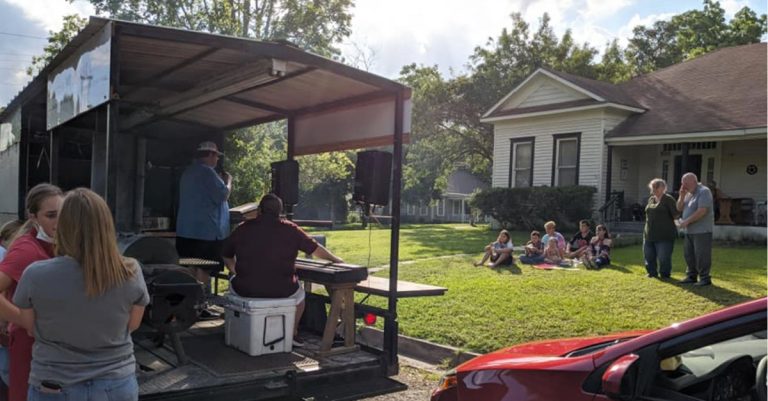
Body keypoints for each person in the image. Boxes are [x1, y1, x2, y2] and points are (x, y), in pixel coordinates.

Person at [4, 188, 149, 401]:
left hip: (54, 384)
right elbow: (132, 324)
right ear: (106, 225)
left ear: (65, 225)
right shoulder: (131, 270)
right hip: (115, 383)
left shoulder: (35, 274)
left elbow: (31, 326)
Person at [222, 194, 343, 347]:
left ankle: (236, 326)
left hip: (245, 288)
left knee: (231, 283)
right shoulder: (291, 229)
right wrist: (336, 259)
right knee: (300, 297)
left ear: (259, 210)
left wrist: (235, 271)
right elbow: (316, 250)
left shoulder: (242, 229)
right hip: (282, 289)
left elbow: (226, 255)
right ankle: (292, 333)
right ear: (280, 212)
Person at [0, 183, 63, 401]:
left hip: (48, 344)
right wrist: (26, 321)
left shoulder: (57, 245)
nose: (59, 221)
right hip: (30, 344)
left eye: (63, 214)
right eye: (51, 215)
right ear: (34, 217)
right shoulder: (27, 249)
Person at [176, 141, 232, 319]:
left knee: (192, 268)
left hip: (186, 232)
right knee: (204, 270)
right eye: (215, 155)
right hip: (205, 233)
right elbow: (223, 194)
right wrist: (228, 181)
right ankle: (198, 307)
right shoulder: (207, 172)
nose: (216, 159)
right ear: (208, 155)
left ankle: (189, 305)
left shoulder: (188, 172)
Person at [676, 173, 715, 286]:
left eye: (686, 183)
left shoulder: (704, 191)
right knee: (689, 254)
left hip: (702, 231)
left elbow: (702, 211)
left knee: (702, 255)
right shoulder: (688, 194)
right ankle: (691, 276)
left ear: (694, 181)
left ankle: (705, 278)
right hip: (689, 231)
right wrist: (682, 195)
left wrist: (686, 221)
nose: (684, 186)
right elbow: (679, 208)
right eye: (683, 183)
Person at [643, 178, 679, 279]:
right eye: (652, 188)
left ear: (663, 188)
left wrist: (680, 226)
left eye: (656, 187)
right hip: (649, 234)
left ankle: (665, 274)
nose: (653, 190)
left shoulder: (668, 199)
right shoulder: (651, 199)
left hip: (664, 235)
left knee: (663, 257)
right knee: (649, 256)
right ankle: (651, 273)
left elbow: (676, 215)